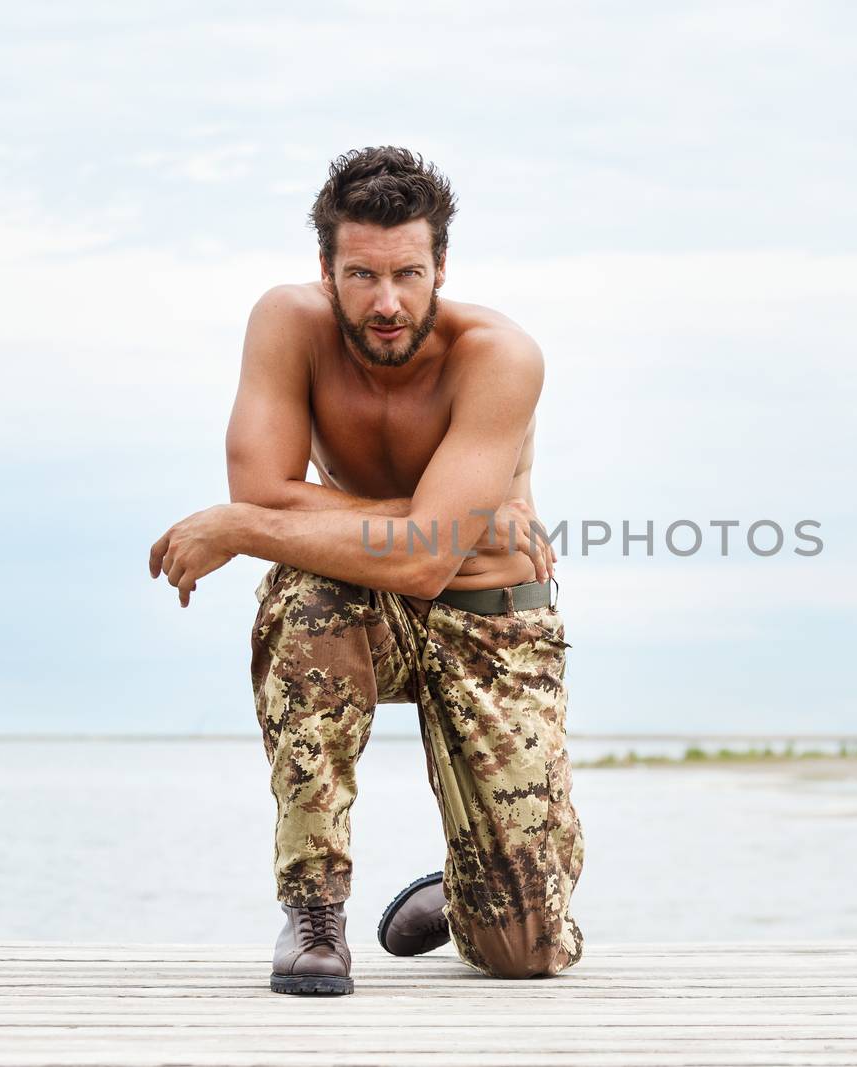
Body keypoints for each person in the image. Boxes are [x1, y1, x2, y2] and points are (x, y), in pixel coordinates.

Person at [147, 146, 585, 995]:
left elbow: (415, 560)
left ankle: (470, 895)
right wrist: (441, 517)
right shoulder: (289, 325)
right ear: (326, 269)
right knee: (311, 589)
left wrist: (247, 522)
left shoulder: (501, 356)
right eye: (361, 275)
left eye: (408, 274)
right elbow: (266, 493)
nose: (387, 302)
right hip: (358, 608)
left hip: (493, 618)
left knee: (526, 948)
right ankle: (314, 911)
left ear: (441, 267)